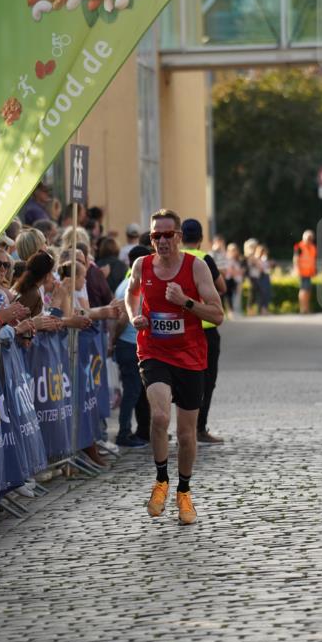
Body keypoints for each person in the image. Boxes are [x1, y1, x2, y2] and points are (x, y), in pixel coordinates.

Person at [125, 208, 224, 525]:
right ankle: (161, 480)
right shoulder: (142, 265)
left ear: (179, 237)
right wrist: (134, 316)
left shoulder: (197, 268)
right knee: (159, 415)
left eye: (168, 235)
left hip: (191, 356)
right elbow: (131, 293)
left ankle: (183, 490)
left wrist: (185, 302)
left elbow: (217, 315)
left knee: (185, 434)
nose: (162, 241)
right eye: (156, 236)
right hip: (154, 351)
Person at [181, 218, 227, 444]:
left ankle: (181, 429)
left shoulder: (175, 260)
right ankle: (199, 429)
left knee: (180, 378)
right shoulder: (204, 259)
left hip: (180, 328)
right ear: (200, 239)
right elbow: (222, 287)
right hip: (205, 328)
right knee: (207, 380)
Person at [110, 244, 152, 448]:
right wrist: (113, 340)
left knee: (134, 390)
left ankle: (132, 431)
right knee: (132, 391)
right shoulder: (132, 286)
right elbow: (123, 318)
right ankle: (123, 433)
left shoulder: (127, 283)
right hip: (129, 345)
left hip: (130, 344)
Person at [293, 230, 317, 314]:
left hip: (309, 272)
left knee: (308, 291)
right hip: (302, 272)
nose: (309, 240)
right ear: (304, 238)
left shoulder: (313, 247)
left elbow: (313, 260)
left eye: (311, 238)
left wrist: (314, 271)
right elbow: (295, 259)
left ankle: (306, 308)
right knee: (303, 290)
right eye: (308, 238)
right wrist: (296, 269)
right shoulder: (299, 246)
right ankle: (302, 309)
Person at [223, 242, 244, 317]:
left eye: (234, 250)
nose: (233, 252)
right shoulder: (227, 259)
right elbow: (230, 270)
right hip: (230, 280)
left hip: (237, 281)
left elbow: (242, 271)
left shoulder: (238, 259)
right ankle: (230, 312)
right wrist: (237, 272)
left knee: (237, 297)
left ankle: (237, 312)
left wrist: (238, 272)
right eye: (232, 250)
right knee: (230, 296)